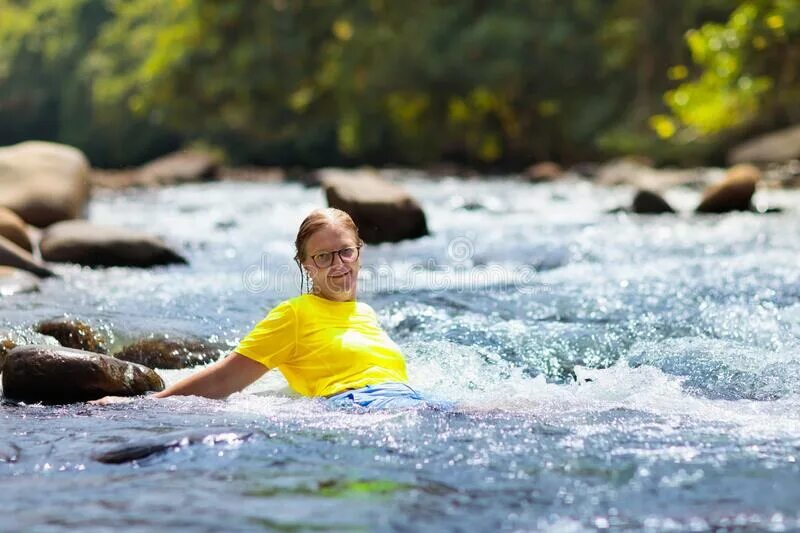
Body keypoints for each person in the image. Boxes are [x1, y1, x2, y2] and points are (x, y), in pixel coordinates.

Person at [91, 207, 450, 410]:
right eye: (323, 257)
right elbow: (225, 377)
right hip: (361, 407)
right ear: (307, 265)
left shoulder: (366, 313)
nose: (339, 264)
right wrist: (146, 404)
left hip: (407, 399)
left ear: (359, 250)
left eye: (345, 251)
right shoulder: (293, 314)